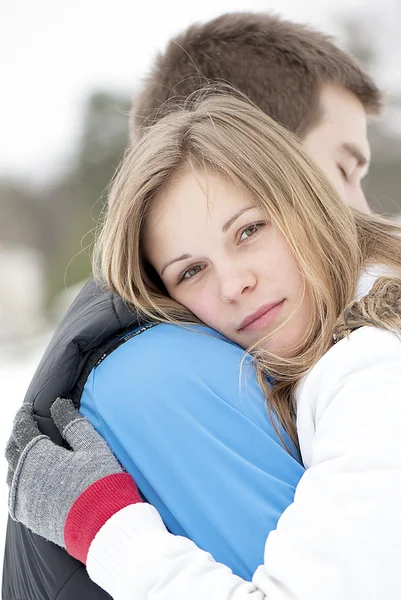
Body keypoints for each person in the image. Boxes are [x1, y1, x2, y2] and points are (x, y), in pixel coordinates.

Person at [3, 12, 384, 600]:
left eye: (250, 230)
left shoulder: (372, 371)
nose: (232, 284)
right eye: (191, 271)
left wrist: (104, 525)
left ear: (300, 197)